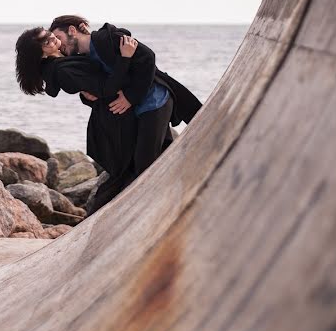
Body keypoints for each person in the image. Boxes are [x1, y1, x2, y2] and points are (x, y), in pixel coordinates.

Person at [47, 16, 202, 211]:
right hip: (135, 111)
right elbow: (101, 86)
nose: (58, 44)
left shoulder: (108, 38)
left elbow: (148, 58)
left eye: (58, 36)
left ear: (72, 30)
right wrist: (88, 96)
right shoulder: (81, 59)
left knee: (145, 163)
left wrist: (129, 97)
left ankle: (161, 207)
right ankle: (182, 198)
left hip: (155, 100)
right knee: (162, 155)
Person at [15, 26, 144, 215]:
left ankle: (101, 219)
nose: (51, 38)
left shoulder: (65, 59)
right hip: (114, 120)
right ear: (40, 54)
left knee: (126, 172)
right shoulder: (61, 70)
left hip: (115, 115)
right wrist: (126, 58)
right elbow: (105, 88)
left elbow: (96, 73)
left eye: (48, 34)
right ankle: (96, 221)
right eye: (45, 41)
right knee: (123, 175)